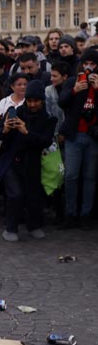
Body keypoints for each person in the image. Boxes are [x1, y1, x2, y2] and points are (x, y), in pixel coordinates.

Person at [0, 80, 56, 241]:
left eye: (36, 101)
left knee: (33, 194)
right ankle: (10, 228)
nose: (32, 104)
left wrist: (26, 132)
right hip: (12, 160)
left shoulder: (48, 119)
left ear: (42, 101)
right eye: (29, 101)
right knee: (15, 194)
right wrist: (5, 129)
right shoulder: (15, 112)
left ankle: (34, 225)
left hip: (32, 162)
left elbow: (45, 141)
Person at [57, 48, 98, 229]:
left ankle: (86, 214)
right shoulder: (73, 81)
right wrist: (74, 90)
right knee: (71, 176)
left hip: (93, 136)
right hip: (74, 135)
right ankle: (71, 213)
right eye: (86, 64)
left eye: (93, 64)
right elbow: (62, 102)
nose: (89, 67)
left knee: (90, 177)